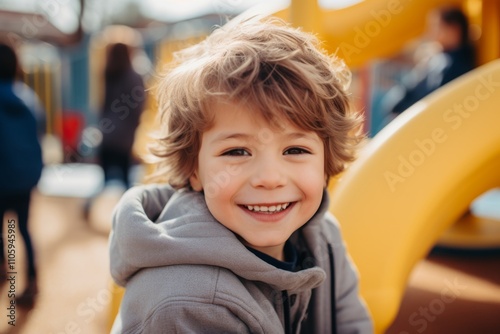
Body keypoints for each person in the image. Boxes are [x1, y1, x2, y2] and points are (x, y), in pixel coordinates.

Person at [109, 16, 373, 333]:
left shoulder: (323, 239)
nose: (270, 178)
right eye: (237, 152)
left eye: (295, 150)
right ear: (194, 170)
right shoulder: (186, 305)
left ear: (327, 159)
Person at [0, 41, 43, 307]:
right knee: (24, 229)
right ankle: (32, 281)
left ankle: (4, 268)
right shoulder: (28, 98)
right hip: (24, 178)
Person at [384, 5, 476, 116]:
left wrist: (423, 67)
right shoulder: (441, 60)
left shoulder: (450, 65)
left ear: (454, 30)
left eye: (436, 27)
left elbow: (428, 102)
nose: (431, 34)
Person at [98, 42, 145, 189]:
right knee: (126, 181)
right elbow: (138, 108)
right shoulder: (134, 77)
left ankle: (100, 209)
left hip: (107, 134)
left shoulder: (108, 74)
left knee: (105, 183)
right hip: (125, 136)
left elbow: (103, 105)